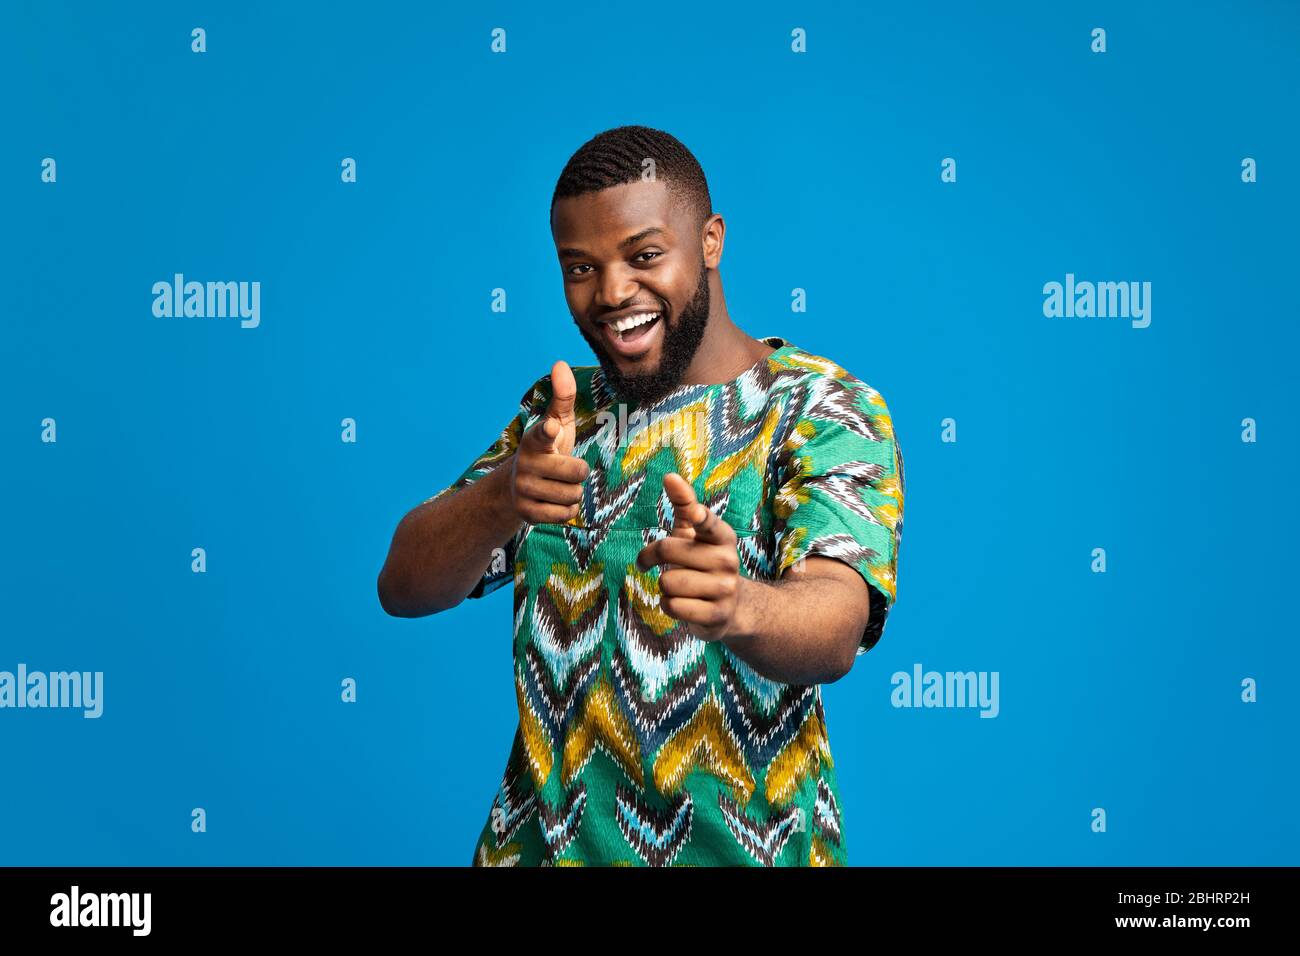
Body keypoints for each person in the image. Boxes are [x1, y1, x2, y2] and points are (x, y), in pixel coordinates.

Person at [377, 125, 905, 866]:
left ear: (711, 240)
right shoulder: (559, 417)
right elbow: (402, 585)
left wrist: (740, 605)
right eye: (580, 267)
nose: (613, 292)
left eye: (645, 255)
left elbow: (838, 623)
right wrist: (501, 498)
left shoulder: (819, 408)